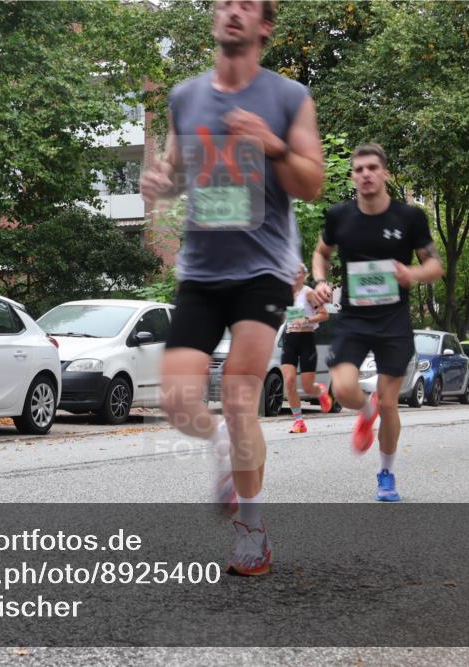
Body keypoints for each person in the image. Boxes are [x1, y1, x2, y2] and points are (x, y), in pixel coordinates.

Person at [141, 0, 323, 576]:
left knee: (242, 394)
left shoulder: (289, 97)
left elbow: (312, 182)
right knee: (176, 402)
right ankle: (220, 437)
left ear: (265, 25)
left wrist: (273, 144)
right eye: (225, 3)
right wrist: (162, 182)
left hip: (262, 269)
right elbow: (177, 170)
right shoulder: (186, 96)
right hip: (200, 270)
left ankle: (253, 530)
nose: (233, 12)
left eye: (246, 5)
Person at [309, 143, 444, 503]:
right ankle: (365, 411)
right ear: (353, 177)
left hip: (393, 321)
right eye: (359, 169)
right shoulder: (340, 216)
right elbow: (321, 253)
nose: (366, 174)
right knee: (343, 389)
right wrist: (320, 281)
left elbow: (435, 266)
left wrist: (412, 273)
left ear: (385, 173)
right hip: (353, 318)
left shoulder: (409, 218)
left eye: (372, 168)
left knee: (389, 403)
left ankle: (386, 473)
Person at [282, 263, 333, 433]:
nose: (294, 275)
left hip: (306, 340)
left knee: (307, 387)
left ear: (304, 275)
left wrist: (307, 320)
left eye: (298, 272)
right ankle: (299, 421)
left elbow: (324, 315)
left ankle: (320, 391)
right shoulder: (285, 294)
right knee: (289, 381)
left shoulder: (309, 293)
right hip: (289, 339)